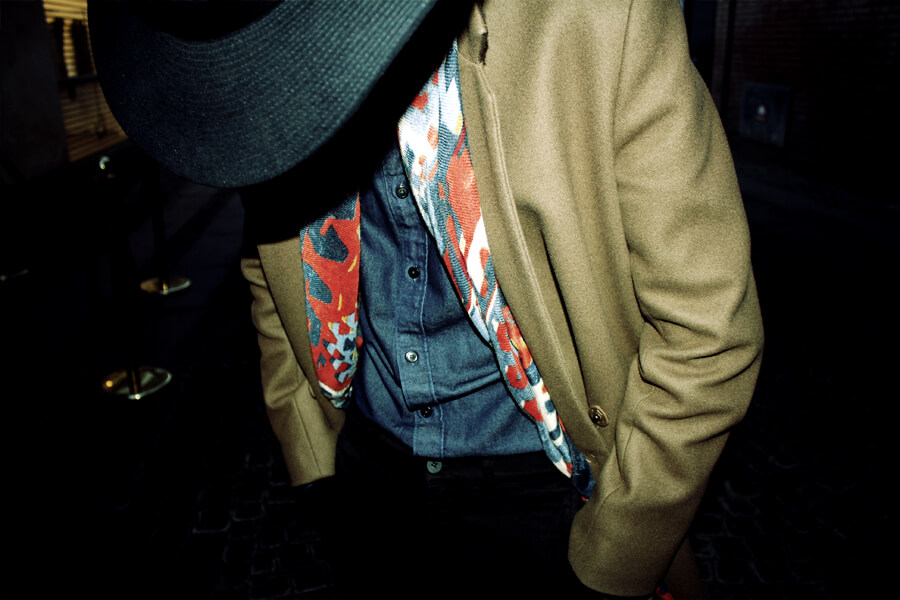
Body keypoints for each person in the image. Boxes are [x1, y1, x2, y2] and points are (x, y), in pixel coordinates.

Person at [90, 1, 763, 598]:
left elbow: (709, 330)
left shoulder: (601, 15)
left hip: (545, 487)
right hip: (366, 468)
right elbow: (269, 263)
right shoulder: (270, 55)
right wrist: (312, 459)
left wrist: (616, 553)